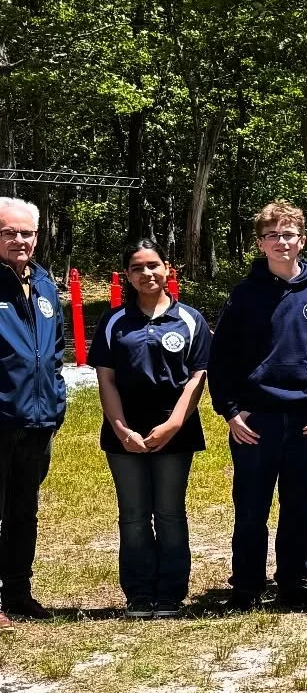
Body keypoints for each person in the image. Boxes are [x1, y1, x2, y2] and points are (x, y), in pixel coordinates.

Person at [209, 201, 307, 611]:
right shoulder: (244, 294)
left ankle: (294, 583)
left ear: (302, 240)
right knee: (251, 508)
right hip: (256, 420)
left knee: (301, 507)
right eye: (272, 235)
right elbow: (221, 358)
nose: (281, 242)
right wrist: (231, 410)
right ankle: (246, 587)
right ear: (260, 243)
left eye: (288, 235)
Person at [91, 241, 212, 618]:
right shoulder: (113, 321)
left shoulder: (190, 319)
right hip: (124, 432)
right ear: (127, 276)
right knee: (133, 515)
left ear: (167, 268)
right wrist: (121, 429)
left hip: (176, 432)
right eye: (137, 268)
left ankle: (171, 594)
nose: (147, 273)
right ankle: (140, 594)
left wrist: (173, 424)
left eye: (153, 265)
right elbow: (106, 380)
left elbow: (198, 377)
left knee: (170, 513)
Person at [0, 196, 65, 627]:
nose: (19, 240)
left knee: (23, 512)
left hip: (37, 420)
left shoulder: (43, 283)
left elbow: (54, 350)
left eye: (26, 232)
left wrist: (56, 400)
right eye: (9, 232)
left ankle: (18, 593)